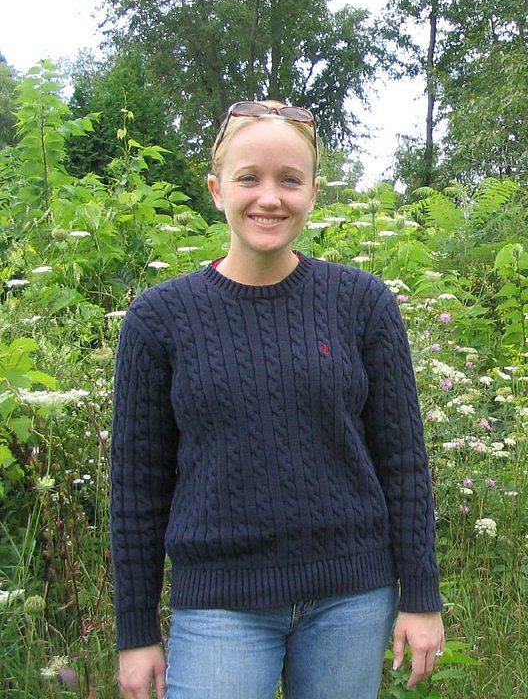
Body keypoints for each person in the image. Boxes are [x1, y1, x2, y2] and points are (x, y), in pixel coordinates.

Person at [110, 100, 444, 699]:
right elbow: (137, 489)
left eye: (290, 180)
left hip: (351, 598)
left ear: (313, 192)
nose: (270, 198)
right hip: (219, 607)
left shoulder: (362, 303)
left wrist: (421, 596)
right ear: (216, 190)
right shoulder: (159, 319)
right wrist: (136, 633)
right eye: (249, 178)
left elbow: (404, 463)